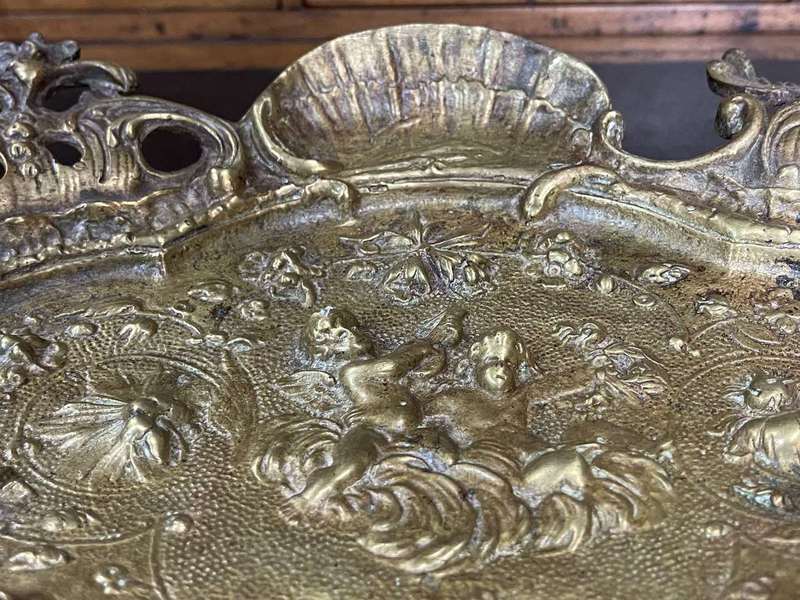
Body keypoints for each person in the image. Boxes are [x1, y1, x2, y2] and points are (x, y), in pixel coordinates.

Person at [290, 306, 448, 510]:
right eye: (341, 335)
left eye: (354, 328)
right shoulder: (352, 371)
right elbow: (393, 365)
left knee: (447, 455)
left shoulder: (376, 364)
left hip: (407, 432)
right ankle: (307, 498)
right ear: (330, 350)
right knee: (350, 466)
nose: (353, 334)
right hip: (371, 432)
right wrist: (420, 348)